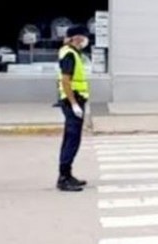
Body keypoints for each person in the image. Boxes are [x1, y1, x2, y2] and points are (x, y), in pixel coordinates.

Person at [56, 25, 91, 192]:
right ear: (76, 38)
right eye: (84, 37)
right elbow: (65, 80)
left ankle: (67, 175)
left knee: (71, 138)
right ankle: (64, 178)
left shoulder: (72, 53)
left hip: (74, 100)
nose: (85, 41)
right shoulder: (70, 54)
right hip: (72, 101)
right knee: (72, 139)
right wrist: (74, 104)